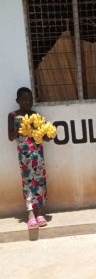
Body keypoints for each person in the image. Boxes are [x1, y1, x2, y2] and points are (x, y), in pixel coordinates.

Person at [8, 87, 48, 229]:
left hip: (38, 155)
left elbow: (44, 138)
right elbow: (11, 137)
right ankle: (30, 213)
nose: (28, 102)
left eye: (30, 99)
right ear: (17, 101)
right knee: (27, 183)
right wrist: (19, 126)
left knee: (39, 182)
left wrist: (48, 133)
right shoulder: (13, 116)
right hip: (24, 156)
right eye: (25, 99)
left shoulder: (36, 115)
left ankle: (40, 212)